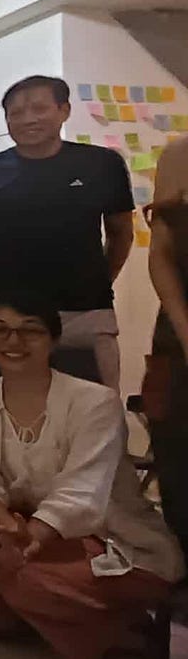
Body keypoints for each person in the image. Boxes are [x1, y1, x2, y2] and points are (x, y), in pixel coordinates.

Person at [0, 293, 183, 659]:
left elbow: (81, 495)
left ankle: (111, 631)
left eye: (30, 331)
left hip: (109, 541)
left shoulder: (95, 402)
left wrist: (23, 547)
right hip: (35, 536)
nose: (13, 341)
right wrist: (9, 531)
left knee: (16, 585)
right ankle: (67, 617)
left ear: (53, 339)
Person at [0, 76, 134, 391]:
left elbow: (121, 234)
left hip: (85, 314)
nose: (28, 119)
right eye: (16, 113)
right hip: (7, 317)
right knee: (5, 415)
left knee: (95, 415)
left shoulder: (103, 164)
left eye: (39, 108)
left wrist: (99, 280)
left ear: (63, 110)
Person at [146, 133, 188, 552]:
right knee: (176, 453)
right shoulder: (179, 153)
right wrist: (185, 330)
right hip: (177, 327)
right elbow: (160, 253)